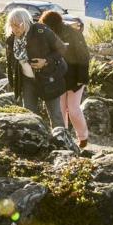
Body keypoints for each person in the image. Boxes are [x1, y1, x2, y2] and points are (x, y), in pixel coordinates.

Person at [5, 8, 65, 125]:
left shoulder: (41, 30)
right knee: (29, 114)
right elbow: (10, 63)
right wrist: (12, 84)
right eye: (11, 25)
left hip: (48, 78)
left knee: (55, 114)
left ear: (26, 22)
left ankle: (61, 140)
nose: (14, 29)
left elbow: (62, 48)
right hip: (27, 80)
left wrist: (46, 61)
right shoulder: (11, 39)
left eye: (17, 25)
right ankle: (34, 141)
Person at [40, 10, 90, 148]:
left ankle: (83, 137)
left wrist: (82, 78)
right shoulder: (47, 34)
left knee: (73, 110)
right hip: (58, 77)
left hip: (75, 77)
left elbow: (83, 55)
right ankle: (64, 138)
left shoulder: (73, 33)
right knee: (60, 111)